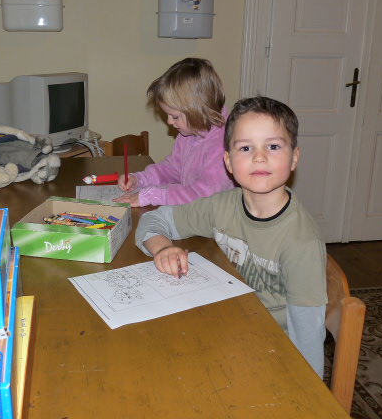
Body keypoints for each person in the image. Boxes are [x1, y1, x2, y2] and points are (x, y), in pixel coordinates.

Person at [135, 96, 327, 377]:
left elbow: (308, 337)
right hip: (223, 325)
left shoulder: (302, 243)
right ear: (228, 161)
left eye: (273, 146)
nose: (259, 157)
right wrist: (162, 248)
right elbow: (154, 219)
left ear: (294, 157)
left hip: (271, 354)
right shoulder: (220, 206)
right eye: (246, 148)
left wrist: (307, 393)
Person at [114, 57, 235, 207]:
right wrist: (139, 179)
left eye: (175, 116)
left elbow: (203, 194)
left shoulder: (222, 144)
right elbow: (172, 169)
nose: (169, 122)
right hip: (193, 212)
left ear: (198, 110)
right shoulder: (188, 133)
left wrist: (152, 195)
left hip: (216, 217)